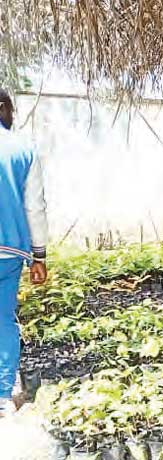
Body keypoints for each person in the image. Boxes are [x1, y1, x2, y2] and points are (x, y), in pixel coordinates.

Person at [0, 88, 48, 418]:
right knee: (4, 320)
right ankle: (3, 396)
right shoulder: (25, 150)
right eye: (10, 109)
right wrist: (39, 256)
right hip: (10, 252)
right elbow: (35, 207)